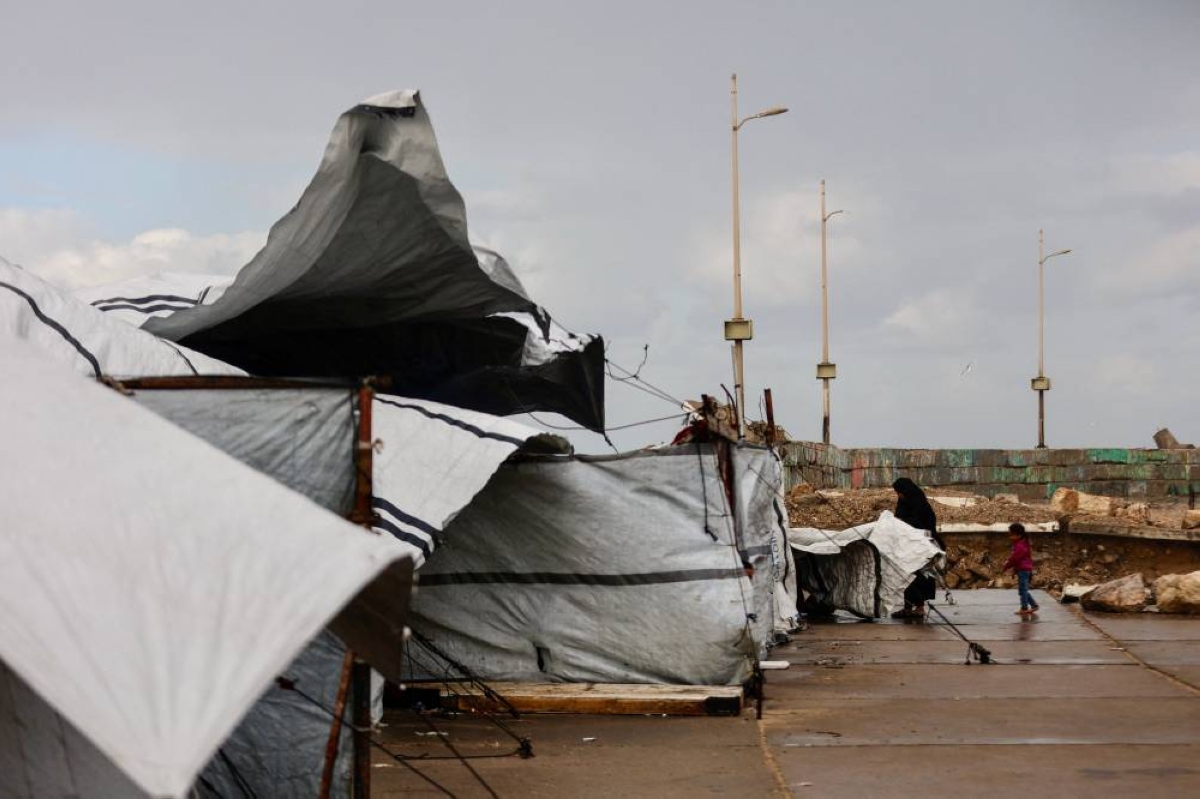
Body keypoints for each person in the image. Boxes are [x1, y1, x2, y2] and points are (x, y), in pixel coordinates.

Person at [891, 477, 945, 619]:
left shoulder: (920, 504)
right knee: (908, 577)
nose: (899, 495)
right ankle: (907, 607)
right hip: (907, 547)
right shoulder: (904, 502)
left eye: (899, 492)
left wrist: (905, 523)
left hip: (921, 548)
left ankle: (920, 608)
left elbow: (925, 524)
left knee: (921, 578)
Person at [1003, 523, 1038, 615]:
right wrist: (1014, 570)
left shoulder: (1020, 546)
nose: (1010, 537)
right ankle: (1034, 605)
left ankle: (1024, 607)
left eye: (1011, 535)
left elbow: (1014, 559)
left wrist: (1006, 566)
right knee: (1023, 590)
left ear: (1018, 535)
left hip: (1024, 570)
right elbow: (1017, 560)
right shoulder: (1021, 543)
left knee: (1023, 590)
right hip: (1023, 570)